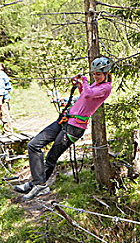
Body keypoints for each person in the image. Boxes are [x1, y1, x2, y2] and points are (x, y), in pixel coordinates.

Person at [13, 57, 113, 201]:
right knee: (33, 145)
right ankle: (37, 183)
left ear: (106, 73)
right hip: (65, 120)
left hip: (75, 127)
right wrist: (79, 85)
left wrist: (83, 80)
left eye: (98, 74)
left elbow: (88, 94)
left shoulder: (105, 87)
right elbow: (85, 97)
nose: (95, 76)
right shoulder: (95, 85)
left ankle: (39, 185)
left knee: (51, 157)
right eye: (94, 74)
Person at [0, 63, 13, 133]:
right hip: (4, 98)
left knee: (4, 116)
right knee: (2, 115)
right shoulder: (3, 75)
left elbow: (1, 89)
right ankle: (6, 130)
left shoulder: (0, 76)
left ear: (0, 68)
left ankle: (8, 132)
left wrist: (0, 101)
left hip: (2, 99)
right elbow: (8, 88)